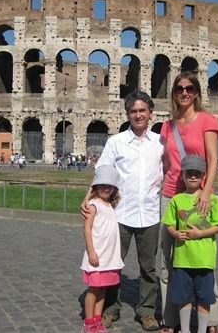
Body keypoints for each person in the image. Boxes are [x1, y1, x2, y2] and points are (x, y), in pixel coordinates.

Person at [81, 91, 164, 331]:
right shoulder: (116, 142)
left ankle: (147, 312)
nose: (138, 115)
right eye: (133, 111)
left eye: (142, 111)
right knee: (112, 264)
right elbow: (102, 171)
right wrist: (87, 198)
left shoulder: (160, 143)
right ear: (128, 114)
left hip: (149, 214)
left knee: (148, 268)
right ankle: (109, 309)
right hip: (120, 214)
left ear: (150, 113)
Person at [159, 71, 218, 333]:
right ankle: (170, 319)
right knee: (168, 260)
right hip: (170, 195)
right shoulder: (167, 125)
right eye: (179, 88)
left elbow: (212, 159)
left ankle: (213, 320)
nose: (184, 93)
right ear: (174, 93)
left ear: (197, 92)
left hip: (199, 197)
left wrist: (207, 191)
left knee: (202, 257)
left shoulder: (207, 120)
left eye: (189, 88)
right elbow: (165, 163)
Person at [161, 155, 218, 333]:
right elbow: (169, 223)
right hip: (182, 259)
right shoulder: (176, 200)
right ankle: (184, 330)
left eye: (197, 174)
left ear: (203, 177)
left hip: (204, 259)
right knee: (183, 297)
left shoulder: (212, 199)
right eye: (189, 173)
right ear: (182, 175)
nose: (193, 177)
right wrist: (175, 233)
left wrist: (200, 233)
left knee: (204, 298)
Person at [81, 165, 124, 333]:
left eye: (110, 185)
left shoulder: (111, 205)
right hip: (97, 255)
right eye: (103, 185)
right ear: (96, 186)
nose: (106, 188)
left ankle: (98, 320)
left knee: (103, 289)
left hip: (109, 256)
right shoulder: (93, 205)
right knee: (94, 289)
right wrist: (91, 251)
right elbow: (87, 229)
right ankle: (89, 321)